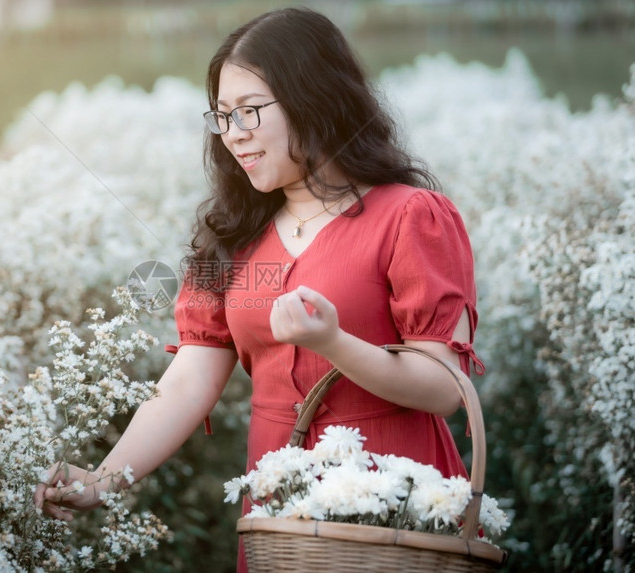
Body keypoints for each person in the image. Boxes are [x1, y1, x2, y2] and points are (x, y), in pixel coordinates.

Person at [34, 6, 484, 572]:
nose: (233, 137)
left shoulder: (413, 216)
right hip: (277, 505)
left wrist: (333, 342)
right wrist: (103, 480)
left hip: (396, 503)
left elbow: (445, 387)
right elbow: (187, 381)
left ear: (315, 99)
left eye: (249, 112)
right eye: (222, 117)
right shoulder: (228, 238)